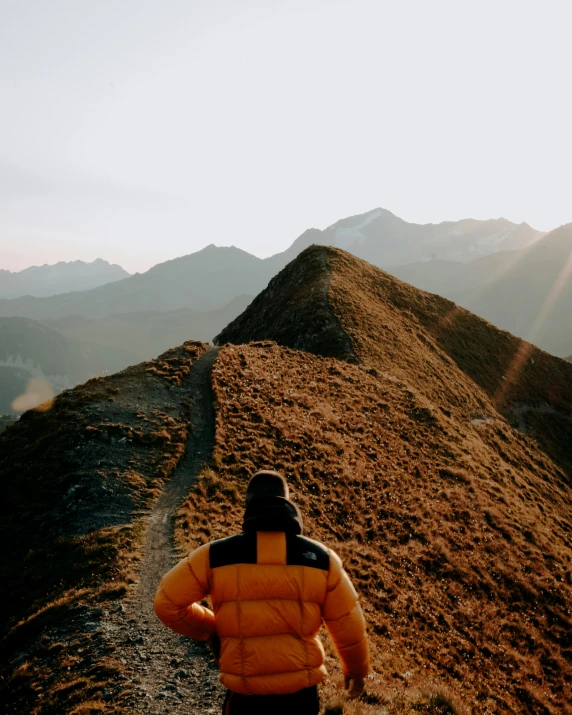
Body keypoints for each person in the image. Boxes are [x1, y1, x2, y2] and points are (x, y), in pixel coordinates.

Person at [154, 470, 370, 714]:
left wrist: (211, 628)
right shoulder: (322, 558)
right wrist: (356, 672)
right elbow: (347, 621)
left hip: (246, 698)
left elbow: (166, 602)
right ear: (288, 502)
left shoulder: (215, 555)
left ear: (247, 505)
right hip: (300, 697)